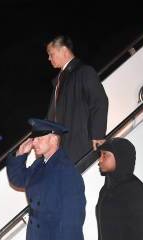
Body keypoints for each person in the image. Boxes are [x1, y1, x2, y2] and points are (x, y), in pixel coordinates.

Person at [45, 35, 109, 163]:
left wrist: (97, 135)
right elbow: (54, 115)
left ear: (64, 50)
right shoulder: (60, 81)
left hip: (79, 145)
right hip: (62, 147)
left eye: (51, 54)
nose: (49, 58)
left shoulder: (84, 72)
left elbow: (99, 101)